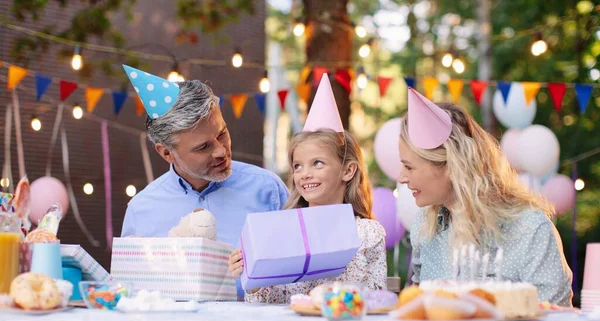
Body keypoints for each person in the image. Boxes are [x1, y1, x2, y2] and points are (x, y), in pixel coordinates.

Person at [119, 65, 288, 297]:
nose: (221, 151)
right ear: (166, 153)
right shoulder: (141, 210)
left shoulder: (268, 189)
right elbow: (129, 291)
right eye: (203, 147)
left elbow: (299, 284)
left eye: (222, 134)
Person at [398, 87, 573, 307]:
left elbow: (556, 320)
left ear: (451, 165)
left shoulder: (529, 228)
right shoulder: (425, 225)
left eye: (409, 167)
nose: (402, 178)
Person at [228, 74, 387, 304]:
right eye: (297, 166)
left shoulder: (368, 233)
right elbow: (264, 300)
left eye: (318, 163)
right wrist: (250, 274)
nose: (304, 174)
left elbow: (376, 298)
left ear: (348, 171)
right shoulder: (282, 229)